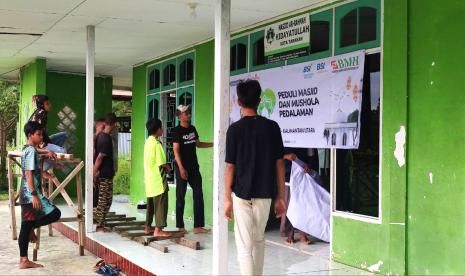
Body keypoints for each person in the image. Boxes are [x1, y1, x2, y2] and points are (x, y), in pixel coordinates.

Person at [224, 79, 286, 276]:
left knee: (244, 246)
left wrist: (227, 199)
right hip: (265, 194)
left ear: (239, 102)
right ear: (259, 100)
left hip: (241, 194)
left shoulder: (234, 130)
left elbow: (230, 167)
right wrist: (281, 196)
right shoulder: (272, 127)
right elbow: (279, 163)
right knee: (258, 240)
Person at [18, 121, 61, 269]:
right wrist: (34, 194)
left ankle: (24, 258)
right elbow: (28, 173)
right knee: (55, 213)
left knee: (26, 224)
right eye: (38, 134)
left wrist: (45, 152)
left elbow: (33, 153)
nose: (41, 137)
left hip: (27, 194)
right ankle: (24, 259)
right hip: (30, 195)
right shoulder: (30, 151)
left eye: (42, 134)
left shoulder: (29, 149)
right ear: (30, 135)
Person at [172, 105, 213, 234]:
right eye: (185, 113)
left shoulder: (192, 129)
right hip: (181, 168)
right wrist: (181, 168)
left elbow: (198, 144)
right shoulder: (176, 131)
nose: (188, 115)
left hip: (194, 167)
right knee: (180, 196)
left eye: (189, 113)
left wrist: (214, 144)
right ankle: (180, 226)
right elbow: (176, 152)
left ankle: (198, 226)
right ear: (179, 116)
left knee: (198, 193)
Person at [281, 148, 318, 244]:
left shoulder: (307, 136)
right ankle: (290, 234)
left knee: (303, 205)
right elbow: (273, 154)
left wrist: (309, 166)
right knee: (288, 206)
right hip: (287, 175)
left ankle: (303, 234)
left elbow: (311, 156)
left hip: (302, 175)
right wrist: (286, 156)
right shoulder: (283, 136)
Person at [144, 118, 172, 237]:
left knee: (151, 204)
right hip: (158, 179)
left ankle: (148, 226)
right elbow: (161, 162)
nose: (163, 130)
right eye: (161, 127)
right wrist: (168, 168)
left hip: (149, 178)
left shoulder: (147, 142)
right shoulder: (156, 143)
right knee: (161, 204)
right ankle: (158, 229)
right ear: (158, 129)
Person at [28, 95, 67, 178]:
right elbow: (35, 134)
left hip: (45, 140)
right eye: (47, 104)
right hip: (39, 143)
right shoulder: (41, 114)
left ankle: (51, 162)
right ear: (42, 105)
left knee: (63, 136)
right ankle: (43, 169)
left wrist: (35, 97)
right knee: (63, 152)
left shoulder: (39, 111)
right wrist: (42, 147)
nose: (50, 105)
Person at [93, 113, 117, 231]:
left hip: (104, 173)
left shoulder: (100, 136)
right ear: (113, 124)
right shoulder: (105, 139)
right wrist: (94, 172)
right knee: (104, 200)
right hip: (104, 174)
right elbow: (99, 157)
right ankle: (99, 226)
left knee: (104, 199)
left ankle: (98, 221)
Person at [93, 118, 105, 208]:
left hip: (99, 168)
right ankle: (94, 211)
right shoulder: (95, 137)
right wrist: (94, 170)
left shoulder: (102, 137)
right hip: (94, 167)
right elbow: (94, 154)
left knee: (99, 190)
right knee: (95, 189)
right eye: (103, 126)